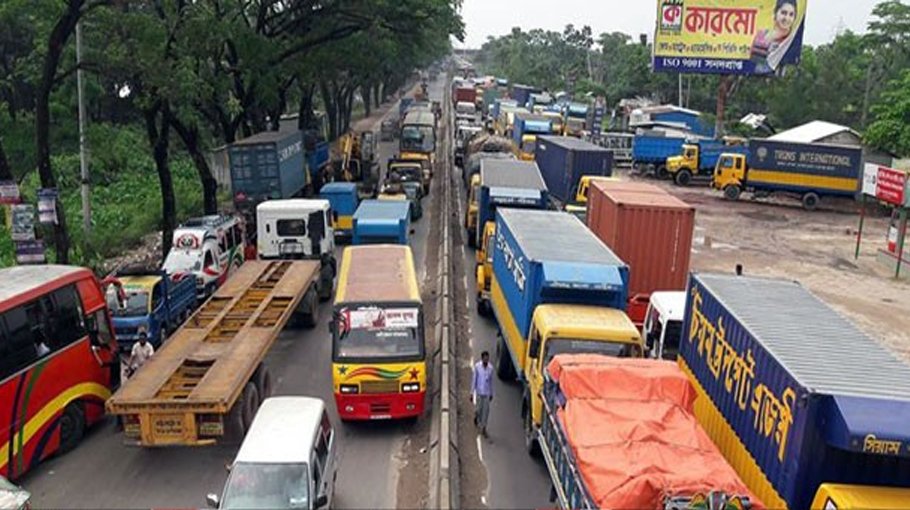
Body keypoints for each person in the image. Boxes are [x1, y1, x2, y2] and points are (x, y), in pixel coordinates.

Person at [751, 0, 798, 74]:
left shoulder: (792, 40)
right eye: (783, 13)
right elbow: (753, 62)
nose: (787, 18)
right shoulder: (761, 35)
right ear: (775, 13)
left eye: (791, 14)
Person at [471, 351, 494, 437]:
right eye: (485, 358)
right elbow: (474, 380)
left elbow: (491, 382)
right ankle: (476, 417)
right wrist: (471, 392)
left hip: (487, 393)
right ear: (482, 359)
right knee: (478, 409)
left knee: (486, 411)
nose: (486, 360)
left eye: (487, 358)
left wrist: (491, 393)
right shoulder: (477, 367)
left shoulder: (491, 368)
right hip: (479, 392)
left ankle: (484, 428)